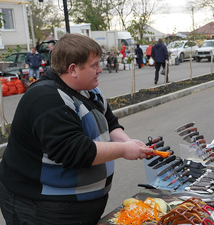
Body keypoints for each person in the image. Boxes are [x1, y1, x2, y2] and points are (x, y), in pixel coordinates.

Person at [0, 33, 153, 224]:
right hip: (40, 209)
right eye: (94, 65)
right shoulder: (46, 99)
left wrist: (128, 142)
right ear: (73, 69)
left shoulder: (89, 90)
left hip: (76, 208)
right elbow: (75, 151)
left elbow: (110, 123)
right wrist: (124, 150)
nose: (100, 70)